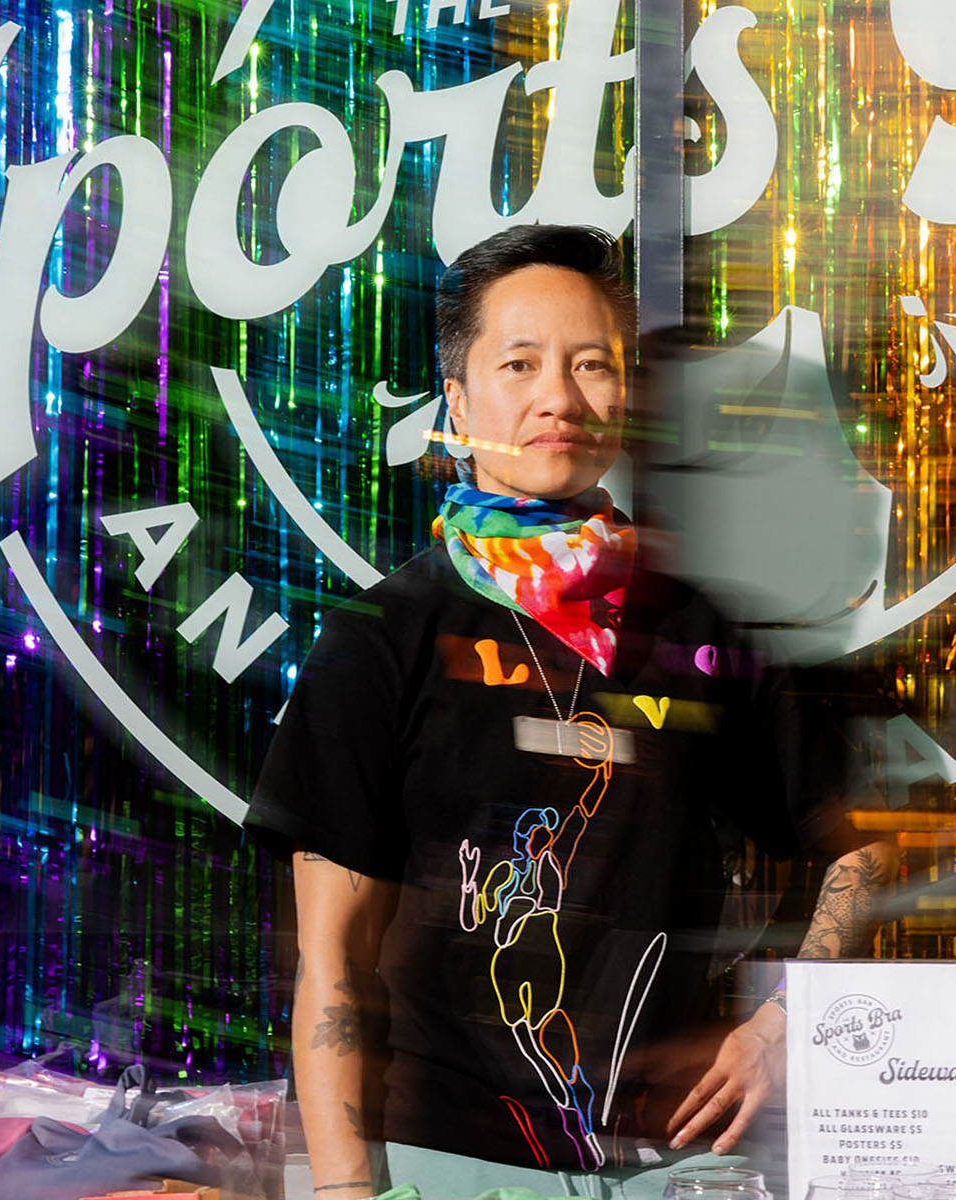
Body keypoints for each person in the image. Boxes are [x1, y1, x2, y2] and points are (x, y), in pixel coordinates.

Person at [246, 225, 894, 1199]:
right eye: (519, 363)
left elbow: (863, 836)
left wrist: (790, 1020)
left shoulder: (693, 628)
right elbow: (332, 962)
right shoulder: (384, 638)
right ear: (458, 402)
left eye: (593, 364)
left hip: (662, 1166)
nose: (559, 397)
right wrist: (345, 1190)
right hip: (438, 1167)